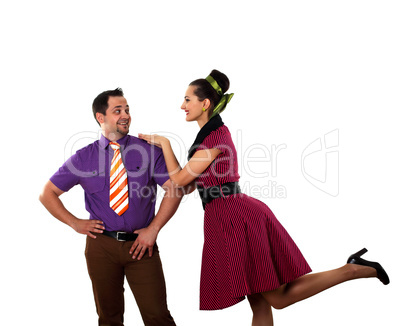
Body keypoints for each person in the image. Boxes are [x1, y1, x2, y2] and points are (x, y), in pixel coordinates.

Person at [139, 70, 390, 325]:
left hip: (235, 217)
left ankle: (352, 269)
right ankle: (354, 267)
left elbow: (180, 180)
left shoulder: (215, 138)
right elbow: (188, 187)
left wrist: (166, 144)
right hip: (225, 216)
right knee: (259, 304)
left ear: (204, 103)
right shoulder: (206, 136)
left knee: (277, 299)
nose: (182, 105)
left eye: (187, 99)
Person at [39, 88, 182, 326]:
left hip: (141, 246)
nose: (125, 115)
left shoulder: (149, 150)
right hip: (100, 248)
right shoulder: (83, 157)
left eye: (127, 110)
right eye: (118, 111)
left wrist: (153, 229)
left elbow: (175, 189)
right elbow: (48, 193)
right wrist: (75, 223)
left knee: (158, 316)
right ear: (100, 117)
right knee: (108, 318)